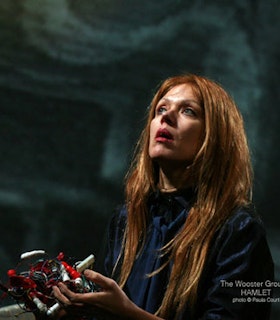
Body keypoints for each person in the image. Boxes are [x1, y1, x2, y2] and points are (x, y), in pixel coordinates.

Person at [52, 74, 274, 320]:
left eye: (188, 111)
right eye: (160, 109)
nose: (165, 118)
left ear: (214, 137)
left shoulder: (242, 229)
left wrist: (127, 314)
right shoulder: (126, 218)